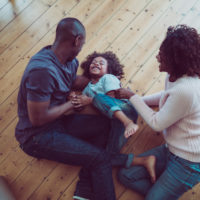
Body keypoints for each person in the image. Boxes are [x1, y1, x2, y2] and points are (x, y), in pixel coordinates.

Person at [15, 17, 139, 200]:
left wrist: (101, 83)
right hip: (36, 136)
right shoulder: (42, 70)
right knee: (100, 158)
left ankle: (86, 192)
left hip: (59, 123)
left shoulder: (69, 61)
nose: (82, 48)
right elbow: (37, 119)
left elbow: (70, 80)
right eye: (83, 44)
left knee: (106, 125)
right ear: (77, 40)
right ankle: (85, 191)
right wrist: (72, 103)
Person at [116, 25, 200, 200]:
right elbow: (166, 97)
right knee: (126, 174)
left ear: (176, 60)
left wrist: (132, 97)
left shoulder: (187, 89)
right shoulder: (175, 76)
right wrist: (135, 100)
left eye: (163, 56)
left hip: (190, 163)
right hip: (170, 150)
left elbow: (157, 123)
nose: (157, 56)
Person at [71, 51, 139, 138]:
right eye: (94, 63)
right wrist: (75, 99)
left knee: (98, 98)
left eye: (101, 63)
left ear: (108, 70)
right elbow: (85, 106)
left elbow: (111, 99)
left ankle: (128, 122)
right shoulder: (87, 88)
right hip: (114, 120)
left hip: (125, 110)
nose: (96, 64)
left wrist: (89, 100)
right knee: (109, 148)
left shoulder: (108, 77)